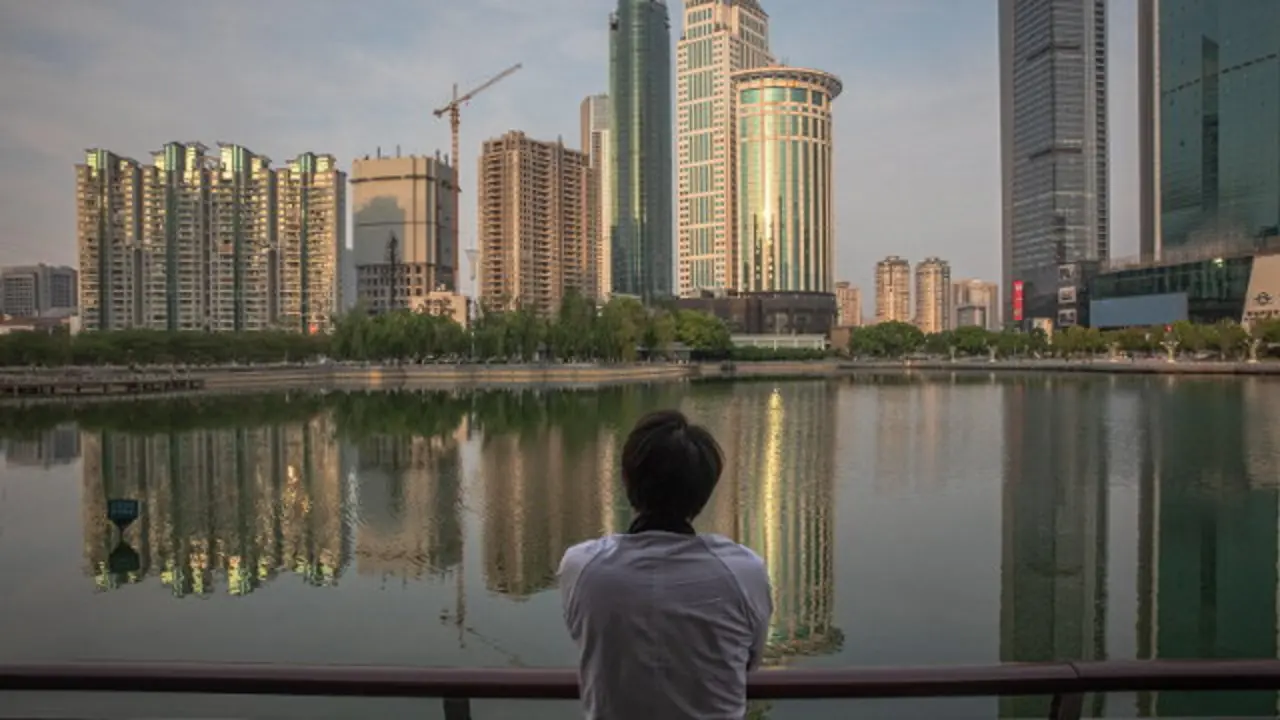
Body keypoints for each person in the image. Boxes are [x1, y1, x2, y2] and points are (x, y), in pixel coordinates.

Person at [558, 410, 773, 720]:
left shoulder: (582, 568)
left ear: (626, 479)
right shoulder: (745, 573)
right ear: (705, 490)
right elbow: (749, 660)